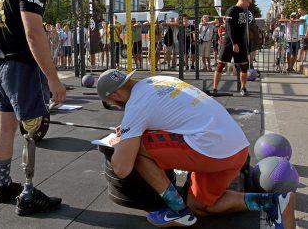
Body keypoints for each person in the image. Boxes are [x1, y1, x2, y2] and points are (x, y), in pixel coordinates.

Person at [96, 68, 296, 228]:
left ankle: (178, 211)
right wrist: (132, 130)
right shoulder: (158, 80)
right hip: (237, 149)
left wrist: (125, 140)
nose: (116, 106)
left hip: (211, 150)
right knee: (200, 206)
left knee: (136, 149)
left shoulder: (137, 105)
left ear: (115, 94)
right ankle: (273, 202)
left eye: (112, 103)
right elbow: (169, 115)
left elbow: (122, 168)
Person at [0, 0, 65, 216]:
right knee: (31, 129)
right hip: (20, 66)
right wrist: (53, 79)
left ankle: (4, 186)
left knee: (5, 127)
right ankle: (28, 194)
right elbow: (33, 32)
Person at [213, 0, 253, 96]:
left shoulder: (245, 11)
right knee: (221, 64)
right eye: (248, 2)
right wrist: (234, 43)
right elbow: (229, 28)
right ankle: (215, 89)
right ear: (243, 0)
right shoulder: (232, 10)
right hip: (230, 41)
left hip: (241, 42)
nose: (249, 4)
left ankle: (243, 88)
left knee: (244, 66)